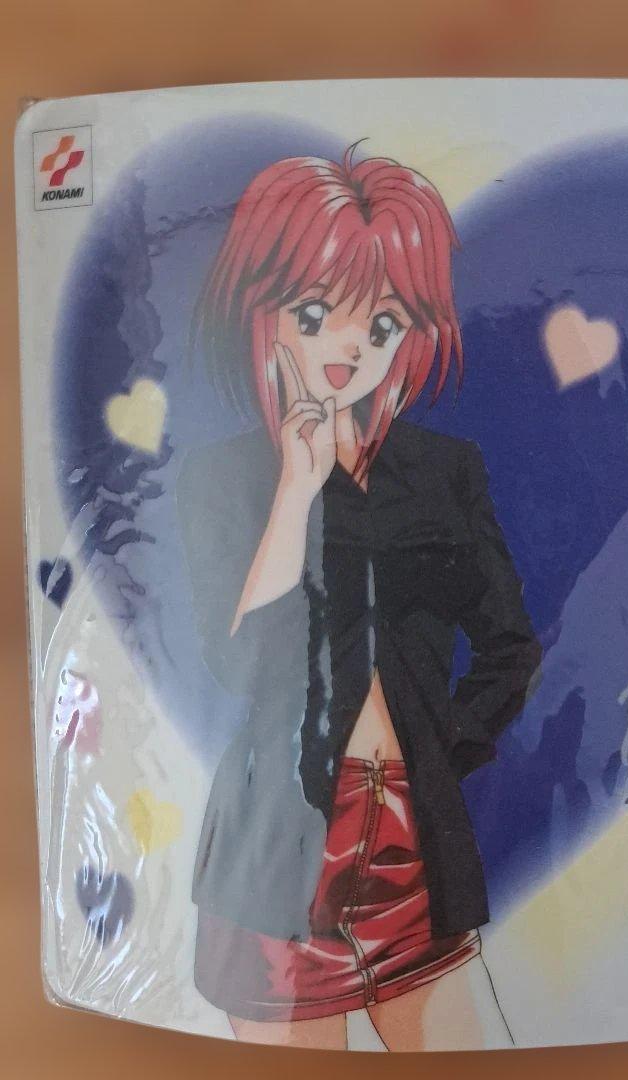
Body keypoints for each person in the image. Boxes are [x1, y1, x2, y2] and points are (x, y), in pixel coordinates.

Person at [176, 146, 542, 1051]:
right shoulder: (226, 479)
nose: (349, 347)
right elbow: (238, 665)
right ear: (265, 312)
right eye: (315, 314)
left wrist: (443, 746)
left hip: (416, 845)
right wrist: (295, 491)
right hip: (280, 854)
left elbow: (510, 645)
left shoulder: (445, 470)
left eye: (381, 325)